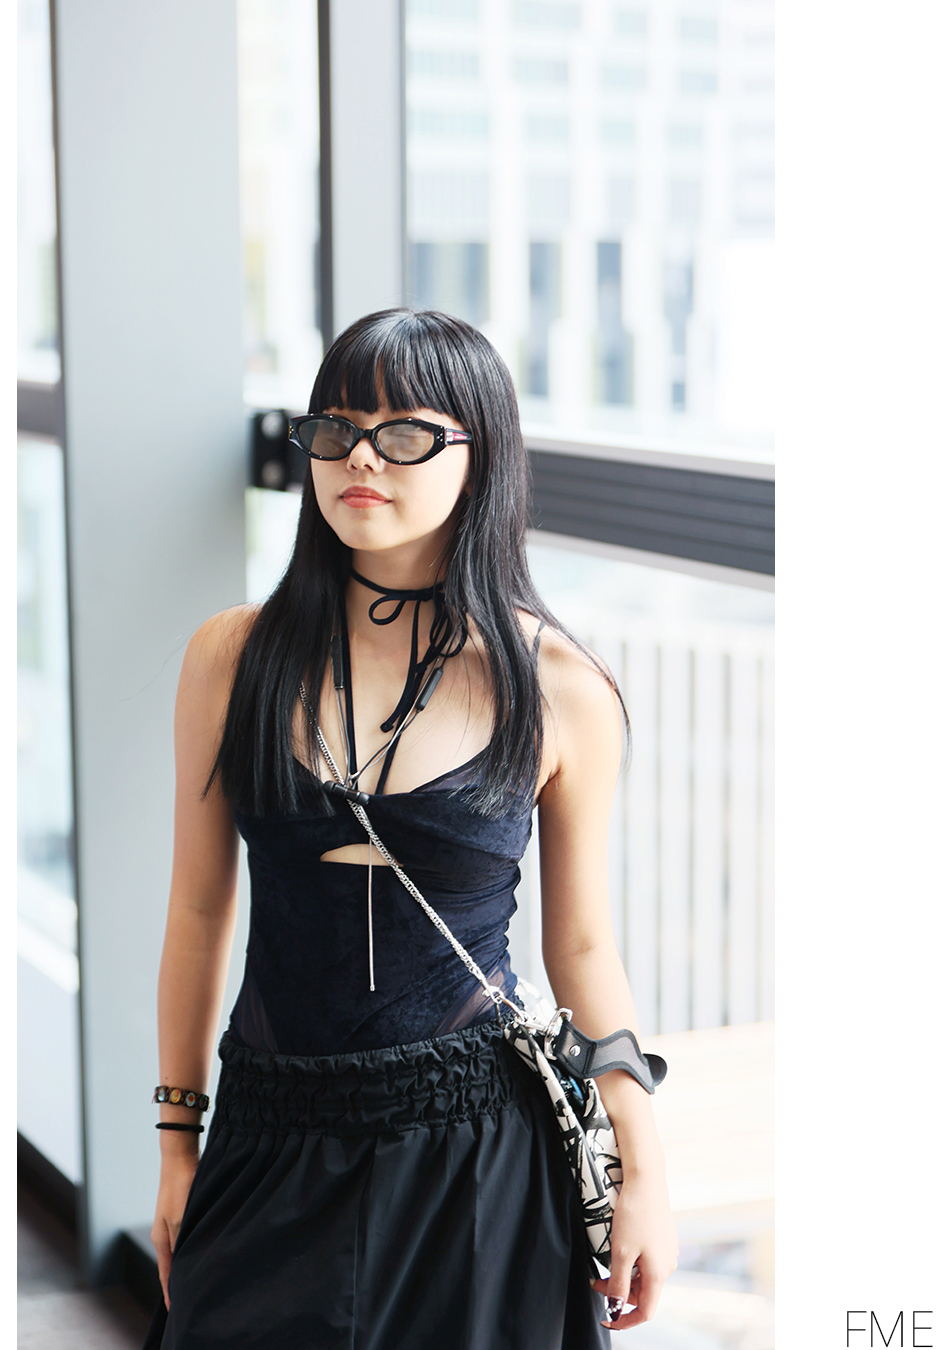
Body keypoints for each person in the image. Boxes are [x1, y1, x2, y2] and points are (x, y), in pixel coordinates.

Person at [143, 309, 677, 1350]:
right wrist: (176, 1144)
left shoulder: (560, 690)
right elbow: (199, 910)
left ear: (483, 454)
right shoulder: (232, 658)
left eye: (404, 434)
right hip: (269, 1130)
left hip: (477, 1147)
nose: (360, 458)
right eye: (336, 429)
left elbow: (581, 946)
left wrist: (643, 1172)